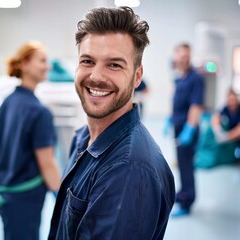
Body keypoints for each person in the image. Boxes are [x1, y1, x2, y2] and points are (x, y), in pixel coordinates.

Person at [48, 7, 175, 240]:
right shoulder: (83, 138)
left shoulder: (127, 170)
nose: (96, 76)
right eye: (87, 61)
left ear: (137, 76)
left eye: (114, 65)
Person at [0, 41, 61, 240]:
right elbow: (48, 164)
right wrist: (63, 198)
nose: (48, 66)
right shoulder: (39, 112)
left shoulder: (8, 102)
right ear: (25, 64)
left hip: (5, 193)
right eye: (42, 61)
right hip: (26, 198)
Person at [169, 43, 204, 217]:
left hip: (187, 129)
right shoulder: (180, 76)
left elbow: (196, 105)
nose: (184, 59)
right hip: (178, 126)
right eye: (181, 56)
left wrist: (189, 128)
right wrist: (170, 119)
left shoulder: (195, 78)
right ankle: (183, 192)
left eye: (187, 56)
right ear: (176, 57)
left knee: (186, 166)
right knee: (181, 165)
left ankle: (188, 201)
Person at [211, 89, 240, 164]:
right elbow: (216, 117)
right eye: (230, 100)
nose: (232, 103)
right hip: (231, 133)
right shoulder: (226, 108)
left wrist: (226, 137)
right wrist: (218, 131)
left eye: (233, 100)